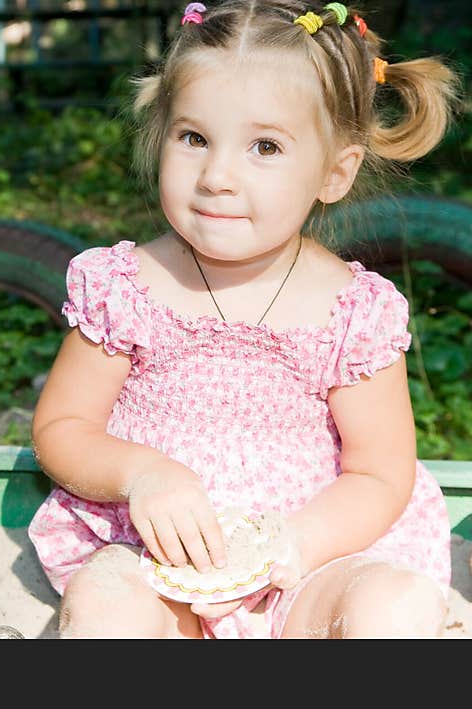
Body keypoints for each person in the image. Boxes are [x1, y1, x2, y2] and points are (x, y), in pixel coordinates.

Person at [27, 0, 462, 639]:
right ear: (160, 136)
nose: (218, 177)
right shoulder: (128, 288)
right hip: (161, 566)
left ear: (335, 173)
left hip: (309, 566)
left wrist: (302, 543)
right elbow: (62, 428)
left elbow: (381, 471)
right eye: (194, 138)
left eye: (264, 146)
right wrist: (142, 473)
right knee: (105, 603)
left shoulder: (352, 311)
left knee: (394, 604)